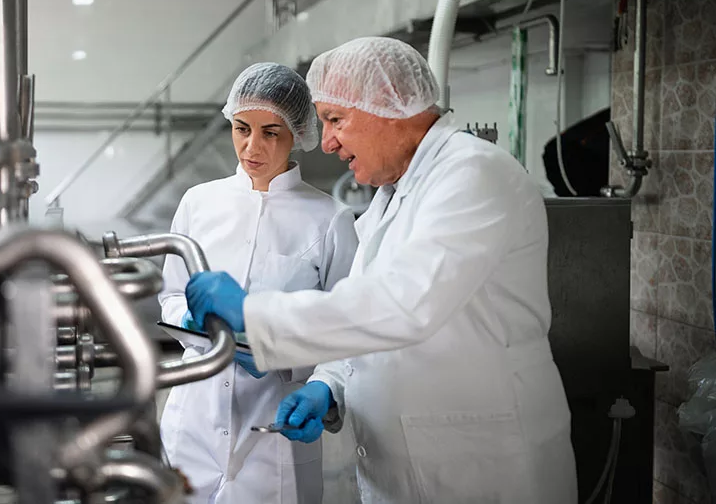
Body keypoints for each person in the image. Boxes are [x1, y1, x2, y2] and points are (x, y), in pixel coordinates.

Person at [185, 37, 578, 503]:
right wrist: (327, 385)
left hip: (480, 467)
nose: (326, 142)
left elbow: (403, 304)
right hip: (408, 466)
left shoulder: (474, 174)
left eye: (335, 120)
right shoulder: (392, 197)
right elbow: (359, 303)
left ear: (390, 108)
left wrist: (255, 316)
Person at [158, 62, 358, 503]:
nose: (252, 146)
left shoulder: (329, 219)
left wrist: (312, 379)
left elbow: (348, 333)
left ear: (298, 135)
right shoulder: (199, 203)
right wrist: (190, 317)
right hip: (195, 421)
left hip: (275, 429)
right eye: (241, 127)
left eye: (271, 132)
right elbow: (171, 295)